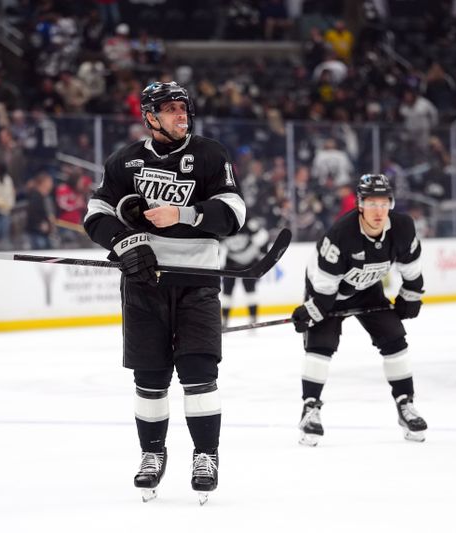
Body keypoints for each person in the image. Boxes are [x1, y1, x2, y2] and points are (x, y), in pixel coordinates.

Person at [83, 81, 245, 503]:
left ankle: (205, 456)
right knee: (150, 377)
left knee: (198, 374)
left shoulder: (211, 155)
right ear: (150, 117)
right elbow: (96, 213)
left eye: (183, 108)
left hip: (198, 281)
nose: (180, 115)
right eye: (170, 109)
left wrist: (185, 213)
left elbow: (234, 214)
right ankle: (152, 455)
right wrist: (125, 242)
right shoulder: (124, 162)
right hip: (145, 284)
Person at [291, 174, 427, 445]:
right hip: (328, 292)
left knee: (394, 338)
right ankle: (310, 409)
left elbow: (412, 269)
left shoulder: (402, 227)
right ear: (360, 204)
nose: (378, 211)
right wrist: (313, 310)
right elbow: (324, 285)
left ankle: (405, 404)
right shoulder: (341, 234)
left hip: (368, 290)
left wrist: (410, 296)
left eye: (384, 203)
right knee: (321, 345)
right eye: (371, 203)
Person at [220, 217, 269, 328]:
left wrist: (262, 254)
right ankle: (225, 319)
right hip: (231, 264)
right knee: (227, 292)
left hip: (249, 263)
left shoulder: (247, 223)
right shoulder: (224, 226)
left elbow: (263, 237)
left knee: (250, 291)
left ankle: (253, 318)